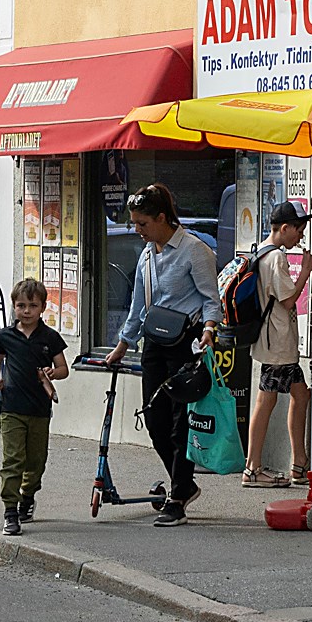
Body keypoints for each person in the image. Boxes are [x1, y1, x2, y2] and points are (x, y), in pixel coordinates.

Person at [100, 185, 219, 526]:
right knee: (155, 421)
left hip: (187, 341)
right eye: (135, 224)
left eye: (142, 224)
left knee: (181, 425)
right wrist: (123, 345)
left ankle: (178, 495)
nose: (136, 230)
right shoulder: (148, 254)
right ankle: (185, 483)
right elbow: (138, 305)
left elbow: (211, 298)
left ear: (162, 218)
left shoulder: (195, 251)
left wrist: (209, 330)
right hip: (154, 342)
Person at [0, 278, 71, 535]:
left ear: (43, 307)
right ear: (14, 306)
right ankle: (10, 511)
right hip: (11, 407)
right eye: (21, 305)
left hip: (39, 409)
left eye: (32, 306)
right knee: (13, 460)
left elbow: (63, 369)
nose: (26, 311)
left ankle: (28, 496)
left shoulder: (50, 337)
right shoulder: (6, 336)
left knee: (36, 462)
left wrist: (52, 373)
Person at [243, 202, 312, 487]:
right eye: (298, 230)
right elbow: (287, 300)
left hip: (273, 340)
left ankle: (299, 461)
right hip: (277, 342)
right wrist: (305, 271)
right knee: (266, 400)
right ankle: (252, 468)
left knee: (301, 393)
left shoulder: (260, 251)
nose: (300, 237)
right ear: (284, 228)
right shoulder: (276, 259)